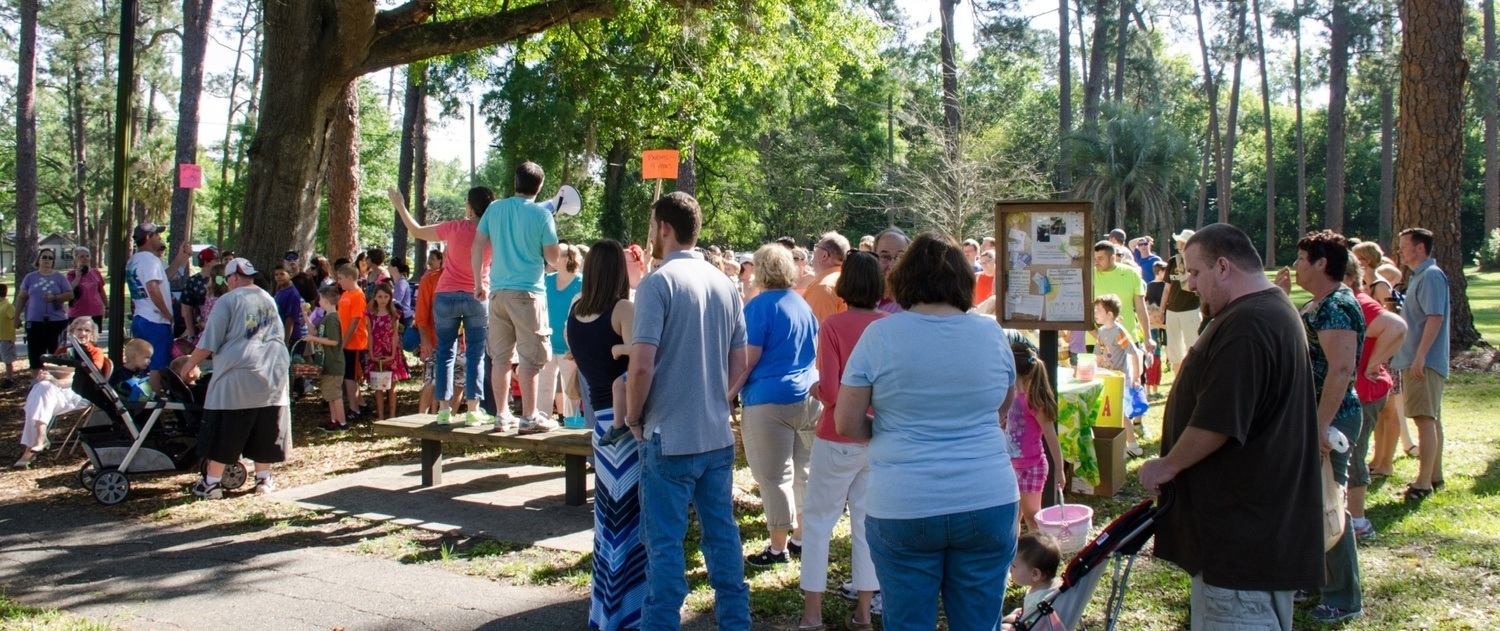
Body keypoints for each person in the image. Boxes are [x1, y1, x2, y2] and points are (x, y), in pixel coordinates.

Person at [1138, 223, 1322, 631]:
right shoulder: (1265, 308)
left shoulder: (1249, 324)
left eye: (1195, 273)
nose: (1190, 283)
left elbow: (1218, 421)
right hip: (1250, 532)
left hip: (1241, 546)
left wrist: (1166, 465)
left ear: (1223, 267)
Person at [835, 232, 1019, 631]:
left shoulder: (881, 336)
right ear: (963, 280)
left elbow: (846, 421)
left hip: (904, 500)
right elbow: (1002, 405)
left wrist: (889, 429)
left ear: (903, 279)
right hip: (987, 496)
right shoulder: (991, 333)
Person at [620, 192, 751, 630]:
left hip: (667, 436)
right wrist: (720, 397)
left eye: (653, 225)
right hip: (715, 435)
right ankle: (736, 623)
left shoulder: (658, 284)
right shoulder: (724, 284)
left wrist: (634, 418)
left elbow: (641, 365)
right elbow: (740, 361)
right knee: (723, 540)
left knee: (664, 549)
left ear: (664, 228)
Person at [1274, 229, 1365, 622]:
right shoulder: (1321, 303)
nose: (1295, 266)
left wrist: (1320, 427)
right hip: (1316, 417)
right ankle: (1315, 578)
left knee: (1330, 505)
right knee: (1311, 504)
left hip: (1333, 418)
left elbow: (1341, 369)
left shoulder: (1337, 306)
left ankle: (1344, 597)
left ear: (1321, 263)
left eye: (1300, 260)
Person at [797, 251, 886, 631]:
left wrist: (817, 388)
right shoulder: (887, 325)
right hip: (877, 437)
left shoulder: (833, 325)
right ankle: (864, 613)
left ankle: (812, 613)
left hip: (836, 435)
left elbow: (832, 388)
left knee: (818, 522)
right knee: (867, 524)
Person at [565, 240, 642, 631]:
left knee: (607, 521)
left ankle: (604, 612)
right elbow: (639, 363)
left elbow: (577, 366)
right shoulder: (623, 310)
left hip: (599, 424)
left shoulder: (575, 313)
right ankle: (628, 612)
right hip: (627, 425)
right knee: (630, 522)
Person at [729, 244, 822, 568]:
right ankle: (801, 539)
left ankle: (777, 546)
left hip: (769, 404)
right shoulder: (802, 303)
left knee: (774, 476)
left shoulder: (758, 307)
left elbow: (746, 362)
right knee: (804, 472)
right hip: (809, 401)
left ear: (760, 269)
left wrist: (728, 394)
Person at [180, 258, 291, 499]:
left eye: (223, 279)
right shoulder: (267, 298)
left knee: (226, 427)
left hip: (237, 373)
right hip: (273, 370)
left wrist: (189, 364)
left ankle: (211, 483)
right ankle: (264, 479)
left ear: (232, 278)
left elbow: (209, 340)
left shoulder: (227, 300)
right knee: (266, 425)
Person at [392, 186, 495, 427]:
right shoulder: (493, 232)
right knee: (475, 354)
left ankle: (444, 410)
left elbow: (416, 231)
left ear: (470, 206)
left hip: (446, 295)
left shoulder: (454, 227)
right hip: (477, 297)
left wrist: (400, 205)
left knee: (445, 353)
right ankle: (472, 409)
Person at [473, 162, 562, 434]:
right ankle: (529, 417)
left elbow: (477, 246)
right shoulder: (542, 215)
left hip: (497, 293)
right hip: (528, 294)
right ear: (540, 186)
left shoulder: (494, 208)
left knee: (500, 358)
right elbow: (553, 257)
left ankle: (501, 415)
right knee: (531, 358)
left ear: (515, 182)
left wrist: (480, 282)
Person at [1345, 251, 1405, 540]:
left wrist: (1371, 364)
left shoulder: (1359, 301)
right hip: (1362, 390)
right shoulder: (1350, 301)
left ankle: (1358, 522)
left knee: (1354, 453)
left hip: (1365, 391)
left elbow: (1396, 326)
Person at [1393, 228, 1450, 502]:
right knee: (1430, 418)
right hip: (1420, 359)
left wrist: (1421, 355)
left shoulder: (1430, 276)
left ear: (1420, 248)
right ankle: (1434, 476)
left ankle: (1423, 482)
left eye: (1405, 246)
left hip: (1423, 362)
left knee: (1424, 419)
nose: (1400, 250)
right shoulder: (1420, 277)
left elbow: (1435, 317)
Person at [13, 317, 109, 468]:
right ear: (71, 332)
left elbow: (91, 378)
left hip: (80, 393)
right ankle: (39, 437)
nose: (82, 333)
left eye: (87, 330)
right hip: (56, 393)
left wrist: (56, 382)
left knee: (40, 393)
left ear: (93, 335)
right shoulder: (63, 351)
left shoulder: (95, 352)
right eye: (79, 329)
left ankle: (31, 448)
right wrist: (45, 376)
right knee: (43, 385)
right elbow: (53, 371)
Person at [1008, 342, 1067, 530]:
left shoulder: (1034, 400)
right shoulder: (1011, 396)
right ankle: (1015, 557)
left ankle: (1040, 556)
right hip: (1012, 466)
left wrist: (1060, 469)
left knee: (1033, 518)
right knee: (1012, 519)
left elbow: (1051, 436)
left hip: (1031, 467)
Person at [1094, 294, 1147, 457]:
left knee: (1120, 413)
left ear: (1110, 314)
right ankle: (1118, 444)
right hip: (1106, 378)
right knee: (1109, 412)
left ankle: (1132, 444)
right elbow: (1098, 354)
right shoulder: (1101, 331)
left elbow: (1135, 353)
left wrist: (1137, 377)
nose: (1095, 312)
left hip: (1120, 379)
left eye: (1098, 310)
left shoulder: (1118, 331)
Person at [15, 249, 75, 375]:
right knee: (35, 353)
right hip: (35, 320)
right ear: (38, 260)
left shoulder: (59, 277)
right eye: (44, 257)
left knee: (57, 353)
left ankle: (57, 381)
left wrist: (56, 297)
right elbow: (21, 297)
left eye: (50, 258)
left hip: (57, 321)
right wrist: (16, 317)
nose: (47, 260)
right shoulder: (30, 277)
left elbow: (70, 294)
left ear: (53, 261)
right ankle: (37, 382)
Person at [125, 223, 175, 371]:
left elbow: (165, 278)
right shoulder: (150, 260)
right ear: (148, 238)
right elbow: (152, 288)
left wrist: (180, 258)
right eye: (157, 235)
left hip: (141, 317)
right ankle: (154, 394)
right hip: (156, 320)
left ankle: (142, 392)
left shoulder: (133, 260)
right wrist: (167, 313)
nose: (160, 238)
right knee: (157, 367)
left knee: (141, 365)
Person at [541, 244, 583, 419]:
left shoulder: (582, 282)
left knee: (571, 389)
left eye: (557, 252)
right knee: (543, 387)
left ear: (566, 258)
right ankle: (539, 420)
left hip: (570, 346)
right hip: (546, 344)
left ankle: (573, 424)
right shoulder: (546, 280)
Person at [1092, 241, 1154, 357]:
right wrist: (1096, 334)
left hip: (1127, 338)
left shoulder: (1130, 273)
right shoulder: (1090, 275)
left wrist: (1147, 337)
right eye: (1094, 258)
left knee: (1132, 373)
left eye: (1100, 258)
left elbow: (1140, 308)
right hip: (1096, 339)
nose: (1096, 262)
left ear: (1112, 258)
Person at [1000, 532, 1064, 630]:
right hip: (1029, 618)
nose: (1010, 569)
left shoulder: (1037, 602)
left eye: (1014, 566)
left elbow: (1031, 627)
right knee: (1007, 619)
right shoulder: (1057, 586)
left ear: (1035, 574)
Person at [365, 282, 409, 420]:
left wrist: (393, 354)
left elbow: (395, 334)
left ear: (390, 297)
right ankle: (380, 416)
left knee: (392, 386)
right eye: (380, 296)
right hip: (376, 351)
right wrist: (371, 353)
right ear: (375, 298)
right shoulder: (370, 315)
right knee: (378, 387)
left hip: (391, 351)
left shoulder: (394, 314)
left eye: (386, 296)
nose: (383, 299)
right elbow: (370, 334)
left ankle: (392, 415)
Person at [307, 285, 348, 432]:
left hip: (334, 363)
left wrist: (313, 339)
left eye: (320, 298)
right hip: (327, 363)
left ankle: (342, 423)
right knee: (329, 394)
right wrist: (305, 316)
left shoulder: (332, 318)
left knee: (335, 394)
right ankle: (333, 420)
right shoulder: (326, 318)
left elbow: (334, 341)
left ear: (325, 300)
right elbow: (315, 332)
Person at [1159, 230, 1201, 372]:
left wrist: (1186, 259)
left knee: (1192, 345)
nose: (1179, 245)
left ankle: (1194, 377)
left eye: (1181, 243)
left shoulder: (1198, 262)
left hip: (1190, 309)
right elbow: (1167, 288)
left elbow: (1191, 285)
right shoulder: (1172, 261)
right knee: (1174, 349)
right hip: (1172, 310)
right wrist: (1161, 310)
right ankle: (1177, 380)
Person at [335, 265, 369, 420]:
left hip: (355, 344)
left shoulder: (357, 295)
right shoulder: (345, 294)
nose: (338, 282)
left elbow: (355, 321)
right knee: (348, 376)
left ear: (349, 278)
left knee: (350, 377)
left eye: (340, 278)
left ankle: (354, 410)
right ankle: (361, 404)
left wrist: (345, 341)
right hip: (346, 342)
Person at [414, 250, 445, 414]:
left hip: (458, 344)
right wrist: (424, 339)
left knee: (456, 383)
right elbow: (421, 315)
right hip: (433, 341)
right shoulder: (429, 278)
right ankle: (421, 419)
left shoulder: (466, 277)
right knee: (430, 381)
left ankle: (441, 416)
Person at [802, 232, 850, 324]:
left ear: (824, 255)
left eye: (816, 247)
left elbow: (817, 333)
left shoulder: (823, 287)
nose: (813, 253)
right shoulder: (846, 279)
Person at [65, 247, 107, 328]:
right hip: (77, 312)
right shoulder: (71, 274)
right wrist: (77, 277)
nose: (85, 258)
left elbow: (101, 291)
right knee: (78, 338)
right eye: (82, 256)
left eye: (87, 256)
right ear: (75, 259)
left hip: (95, 311)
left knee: (93, 338)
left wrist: (107, 306)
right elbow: (68, 290)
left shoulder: (95, 272)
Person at [872, 228, 909, 315]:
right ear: (874, 259)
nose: (892, 265)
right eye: (885, 257)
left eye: (900, 257)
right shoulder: (863, 297)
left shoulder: (916, 304)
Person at [0, 285, 15, 385]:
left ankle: (9, 379)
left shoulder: (8, 306)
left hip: (6, 338)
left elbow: (15, 318)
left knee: (7, 359)